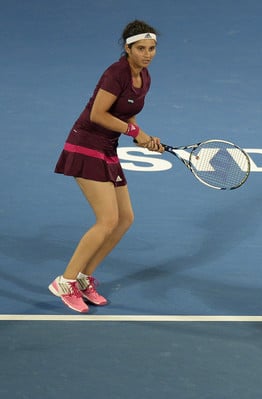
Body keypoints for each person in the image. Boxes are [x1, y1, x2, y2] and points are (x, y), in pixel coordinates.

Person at [50, 20, 163, 313]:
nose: (147, 54)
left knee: (125, 218)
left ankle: (85, 279)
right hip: (85, 146)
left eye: (151, 48)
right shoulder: (116, 73)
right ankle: (65, 281)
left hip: (107, 148)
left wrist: (143, 138)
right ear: (127, 48)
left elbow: (127, 114)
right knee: (106, 220)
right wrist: (136, 133)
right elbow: (99, 114)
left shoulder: (145, 77)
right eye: (141, 49)